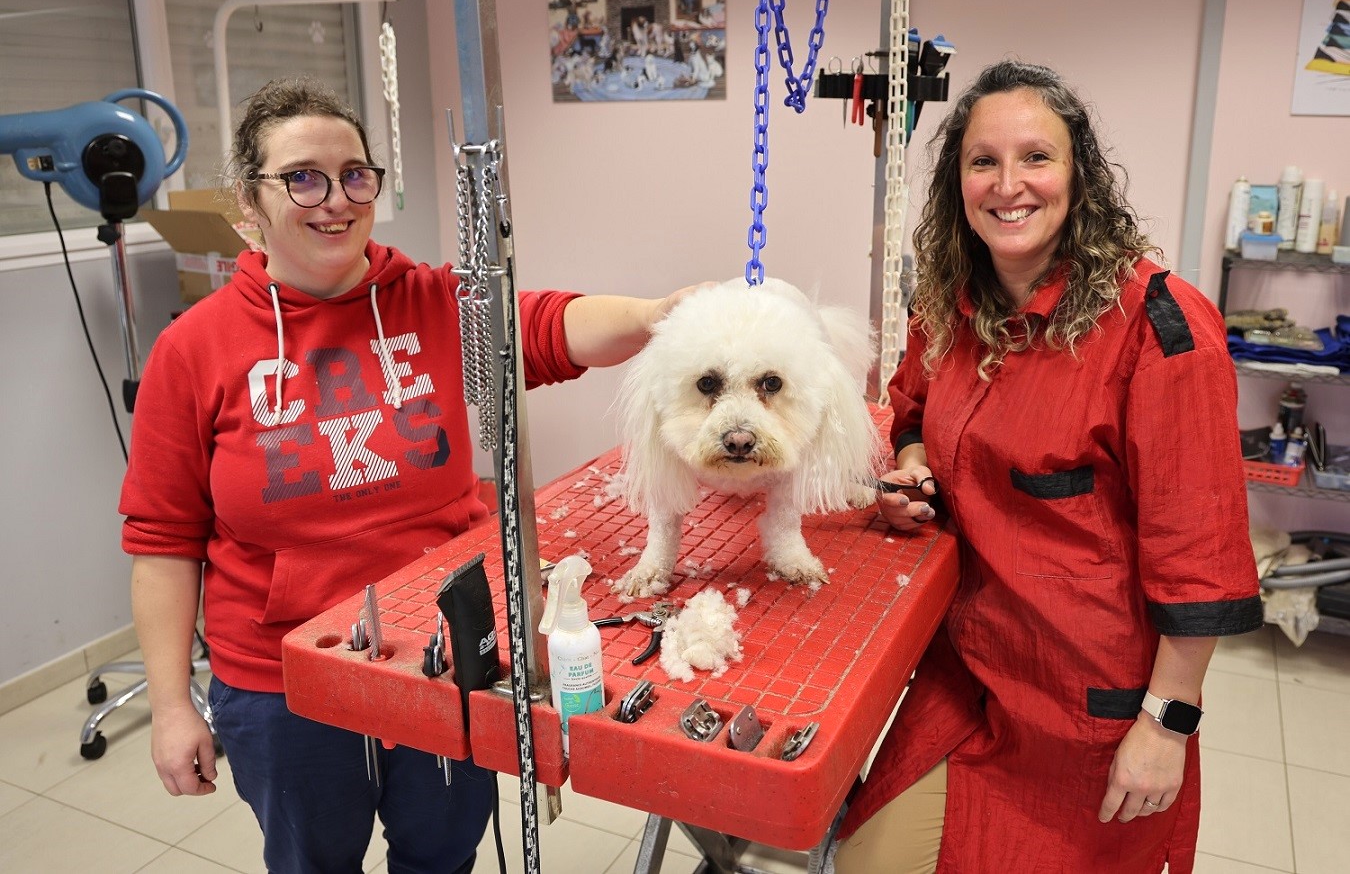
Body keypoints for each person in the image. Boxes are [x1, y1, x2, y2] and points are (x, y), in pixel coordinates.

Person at [120, 77, 703, 874]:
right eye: (303, 177)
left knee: (442, 854)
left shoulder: (434, 303)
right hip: (279, 682)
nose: (335, 199)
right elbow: (162, 539)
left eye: (355, 174)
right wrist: (168, 706)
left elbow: (548, 326)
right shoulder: (192, 349)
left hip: (441, 656)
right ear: (248, 205)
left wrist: (656, 314)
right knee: (313, 862)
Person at [833, 60, 1262, 874]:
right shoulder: (950, 303)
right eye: (983, 161)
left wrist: (1165, 725)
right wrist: (915, 477)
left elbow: (1200, 559)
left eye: (1037, 157)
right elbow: (912, 413)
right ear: (958, 181)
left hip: (1089, 709)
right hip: (965, 675)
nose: (1009, 184)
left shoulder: (1156, 327)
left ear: (1080, 174)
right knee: (865, 862)